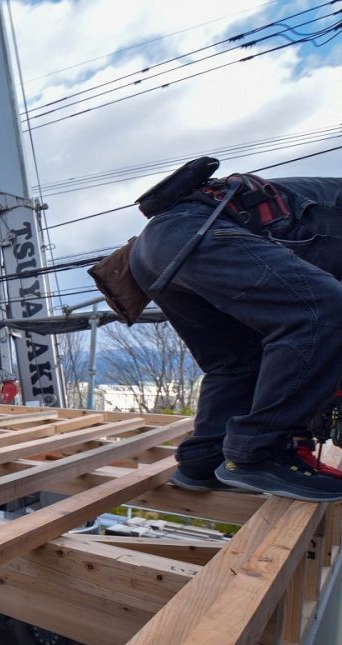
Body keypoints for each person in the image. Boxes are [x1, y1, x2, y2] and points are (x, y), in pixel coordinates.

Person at [129, 170, 342, 501]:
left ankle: (204, 460)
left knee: (238, 360)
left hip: (156, 247)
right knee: (325, 310)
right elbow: (322, 324)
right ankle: (259, 453)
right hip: (202, 231)